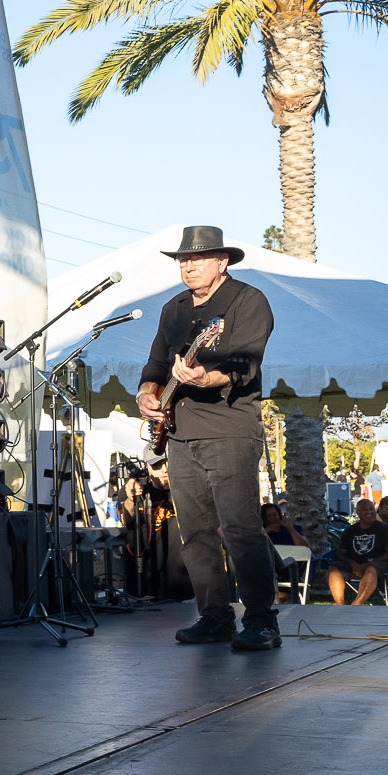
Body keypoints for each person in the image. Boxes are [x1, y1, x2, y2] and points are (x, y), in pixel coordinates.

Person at [137, 226, 280, 650]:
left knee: (240, 527)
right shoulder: (174, 308)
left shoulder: (247, 301)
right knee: (195, 532)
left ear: (223, 261)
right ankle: (214, 616)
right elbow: (155, 363)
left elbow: (244, 365)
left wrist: (204, 376)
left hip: (228, 429)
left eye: (199, 258)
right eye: (183, 259)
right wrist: (147, 396)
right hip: (178, 432)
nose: (189, 265)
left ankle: (261, 620)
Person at [328, 502, 388, 605]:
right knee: (333, 568)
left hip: (379, 566)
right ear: (358, 512)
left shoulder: (385, 529)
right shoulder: (350, 531)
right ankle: (340, 604)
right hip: (354, 565)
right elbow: (340, 553)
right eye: (365, 510)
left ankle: (357, 603)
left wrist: (369, 563)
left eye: (372, 509)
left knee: (371, 569)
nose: (370, 512)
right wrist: (352, 563)